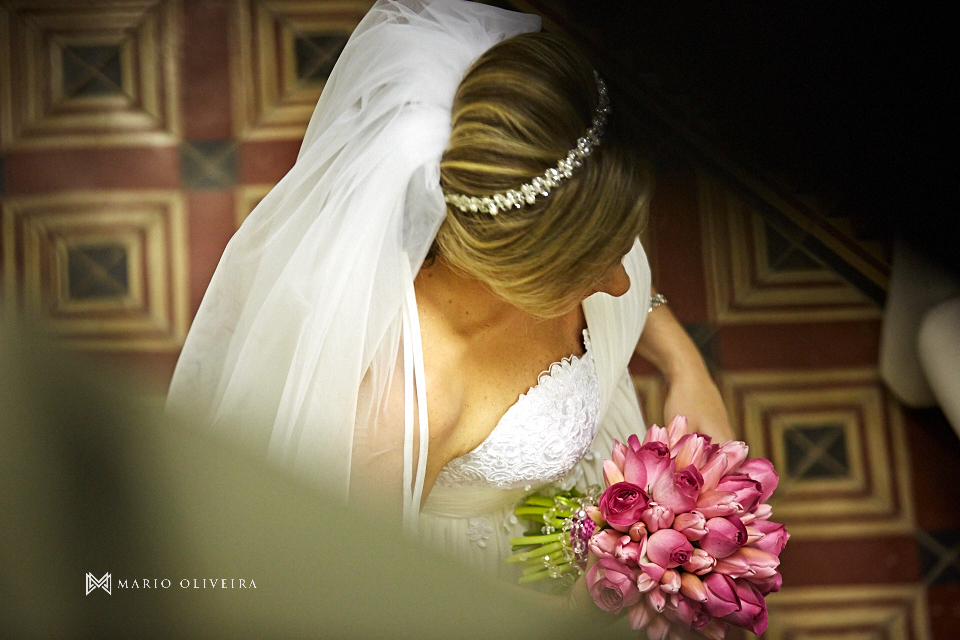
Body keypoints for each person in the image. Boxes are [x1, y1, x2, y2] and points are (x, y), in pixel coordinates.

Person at [166, 0, 732, 583]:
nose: (619, 284)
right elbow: (368, 591)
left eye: (623, 242)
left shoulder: (556, 221)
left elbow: (615, 271)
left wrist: (685, 366)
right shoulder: (402, 415)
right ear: (513, 267)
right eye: (589, 270)